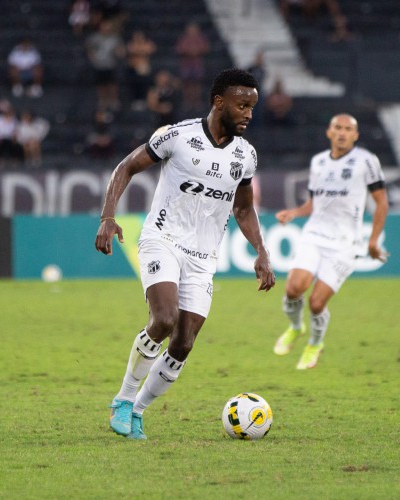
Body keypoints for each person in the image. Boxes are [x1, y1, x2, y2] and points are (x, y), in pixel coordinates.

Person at [94, 68, 275, 440]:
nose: (248, 114)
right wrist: (108, 216)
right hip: (162, 239)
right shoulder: (177, 136)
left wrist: (262, 252)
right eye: (242, 106)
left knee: (184, 341)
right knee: (163, 318)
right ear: (219, 102)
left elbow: (243, 208)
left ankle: (138, 411)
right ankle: (123, 400)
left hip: (203, 257)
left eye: (252, 107)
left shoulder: (246, 156)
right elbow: (126, 167)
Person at [273, 114, 389, 370]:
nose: (342, 133)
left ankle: (315, 343)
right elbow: (313, 203)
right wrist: (295, 212)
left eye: (348, 129)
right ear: (329, 132)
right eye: (338, 128)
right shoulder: (319, 162)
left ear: (356, 136)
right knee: (293, 289)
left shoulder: (366, 161)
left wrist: (372, 241)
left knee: (316, 303)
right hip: (314, 235)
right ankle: (295, 327)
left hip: (344, 244)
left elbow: (381, 201)